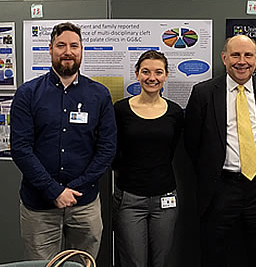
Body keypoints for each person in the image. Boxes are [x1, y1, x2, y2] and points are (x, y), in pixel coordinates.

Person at [10, 22, 117, 259]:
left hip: (84, 205)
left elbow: (107, 149)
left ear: (81, 50)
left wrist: (75, 188)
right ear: (50, 49)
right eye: (61, 45)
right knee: (42, 266)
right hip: (39, 207)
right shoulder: (28, 93)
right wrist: (54, 191)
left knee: (83, 264)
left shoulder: (99, 94)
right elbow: (20, 148)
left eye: (74, 46)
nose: (68, 51)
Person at [184, 34, 256, 267]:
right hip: (220, 190)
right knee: (217, 255)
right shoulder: (204, 93)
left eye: (248, 55)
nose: (242, 61)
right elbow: (192, 143)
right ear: (224, 58)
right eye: (235, 55)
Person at [112, 50, 184, 267]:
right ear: (137, 74)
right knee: (134, 262)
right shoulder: (121, 110)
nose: (152, 78)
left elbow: (171, 151)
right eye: (146, 72)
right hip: (129, 199)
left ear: (166, 75)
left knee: (160, 262)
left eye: (158, 72)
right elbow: (115, 151)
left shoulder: (175, 112)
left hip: (165, 198)